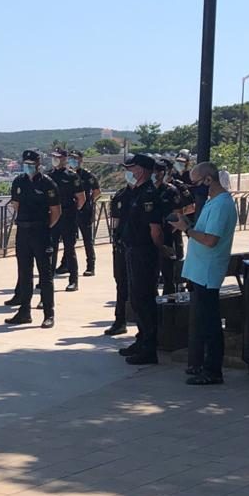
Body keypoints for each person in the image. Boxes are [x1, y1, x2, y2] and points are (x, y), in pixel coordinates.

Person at [172, 162, 238, 386]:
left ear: (209, 180)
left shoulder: (221, 205)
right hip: (200, 270)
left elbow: (210, 239)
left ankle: (213, 370)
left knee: (210, 323)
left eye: (197, 183)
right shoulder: (214, 203)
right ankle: (203, 365)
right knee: (203, 320)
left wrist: (187, 230)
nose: (194, 188)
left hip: (209, 270)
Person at [5, 150, 60, 327]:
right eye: (25, 162)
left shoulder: (47, 183)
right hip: (23, 232)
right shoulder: (19, 181)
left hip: (41, 232)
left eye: (31, 163)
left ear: (38, 164)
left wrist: (44, 227)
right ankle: (24, 312)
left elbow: (56, 211)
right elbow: (15, 205)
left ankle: (48, 314)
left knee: (45, 275)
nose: (28, 165)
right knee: (24, 273)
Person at [118, 154, 164, 365]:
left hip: (144, 252)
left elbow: (155, 229)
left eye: (133, 168)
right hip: (132, 249)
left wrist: (155, 251)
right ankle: (142, 339)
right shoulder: (136, 192)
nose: (130, 171)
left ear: (143, 170)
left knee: (144, 299)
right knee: (136, 299)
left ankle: (149, 347)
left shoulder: (149, 194)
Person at [58, 150, 101, 278]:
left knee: (87, 239)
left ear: (81, 160)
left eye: (75, 158)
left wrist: (89, 202)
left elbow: (97, 191)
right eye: (71, 158)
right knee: (69, 239)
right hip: (70, 212)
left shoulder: (87, 175)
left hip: (84, 211)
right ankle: (65, 264)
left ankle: (90, 266)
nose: (73, 161)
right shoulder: (67, 175)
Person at [48, 148, 86, 292]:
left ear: (64, 159)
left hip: (68, 215)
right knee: (51, 249)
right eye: (53, 157)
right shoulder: (49, 176)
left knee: (69, 249)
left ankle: (73, 280)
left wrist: (73, 211)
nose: (55, 159)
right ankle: (47, 280)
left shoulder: (71, 176)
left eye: (58, 157)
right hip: (52, 216)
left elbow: (81, 198)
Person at [105, 168, 133, 336]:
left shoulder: (149, 193)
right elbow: (115, 223)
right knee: (121, 283)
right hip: (122, 246)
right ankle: (120, 320)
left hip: (142, 248)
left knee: (143, 287)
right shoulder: (121, 195)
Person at [153, 158, 184, 295]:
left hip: (167, 236)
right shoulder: (146, 190)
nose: (155, 174)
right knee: (149, 276)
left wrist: (167, 232)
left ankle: (170, 304)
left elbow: (178, 215)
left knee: (168, 274)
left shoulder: (171, 191)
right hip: (148, 238)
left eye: (158, 171)